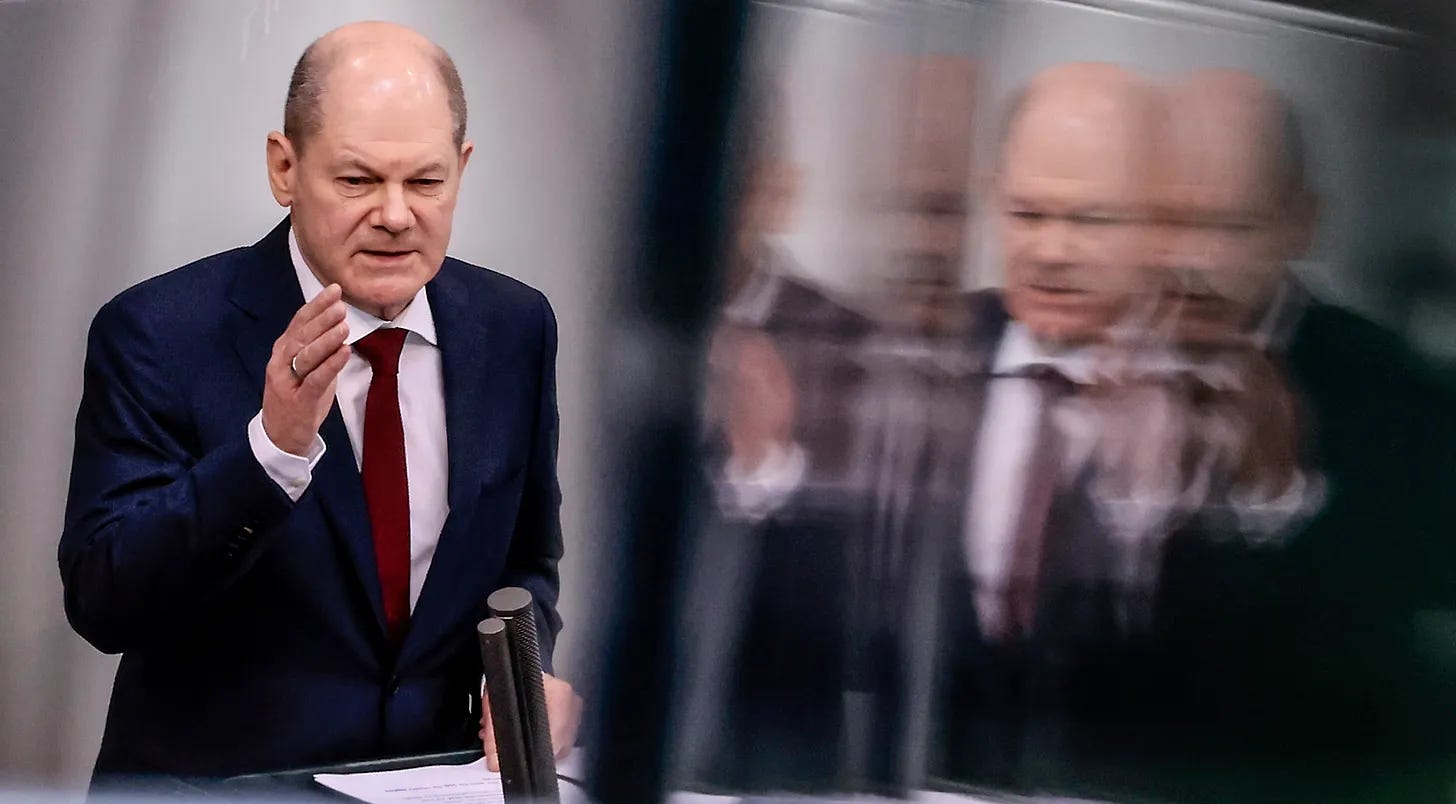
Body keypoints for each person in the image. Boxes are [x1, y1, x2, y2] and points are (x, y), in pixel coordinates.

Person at [59, 21, 581, 783]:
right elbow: (104, 602)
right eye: (359, 180)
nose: (397, 215)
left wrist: (526, 677)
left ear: (462, 170)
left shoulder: (515, 328)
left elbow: (526, 561)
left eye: (426, 182)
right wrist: (270, 451)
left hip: (433, 785)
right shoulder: (158, 334)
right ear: (284, 167)